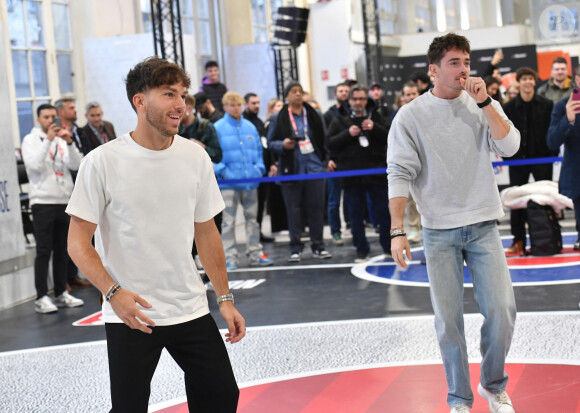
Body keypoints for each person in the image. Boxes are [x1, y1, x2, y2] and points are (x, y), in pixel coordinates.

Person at [66, 57, 244, 412]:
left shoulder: (195, 157)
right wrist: (112, 293)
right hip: (131, 314)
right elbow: (77, 243)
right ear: (140, 101)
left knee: (222, 396)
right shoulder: (102, 162)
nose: (180, 104)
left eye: (182, 94)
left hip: (188, 307)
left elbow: (206, 233)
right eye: (168, 94)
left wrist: (225, 299)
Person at [388, 33, 519, 413]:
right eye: (454, 63)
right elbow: (398, 173)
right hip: (438, 230)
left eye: (466, 61)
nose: (464, 70)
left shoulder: (482, 104)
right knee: (449, 322)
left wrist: (487, 103)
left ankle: (493, 386)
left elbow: (510, 147)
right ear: (434, 70)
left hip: (483, 225)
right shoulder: (410, 116)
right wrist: (398, 229)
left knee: (503, 311)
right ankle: (459, 398)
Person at [21, 104, 85, 313]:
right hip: (42, 202)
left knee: (62, 250)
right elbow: (34, 166)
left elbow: (76, 165)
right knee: (43, 251)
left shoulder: (60, 140)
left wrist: (69, 142)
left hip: (63, 201)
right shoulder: (30, 140)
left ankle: (60, 293)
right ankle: (41, 297)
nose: (51, 120)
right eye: (46, 117)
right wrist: (48, 140)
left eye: (53, 117)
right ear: (38, 119)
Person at [267, 81, 332, 262]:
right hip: (291, 169)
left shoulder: (314, 114)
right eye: (293, 92)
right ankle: (295, 247)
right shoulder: (277, 117)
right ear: (287, 96)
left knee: (316, 209)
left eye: (300, 92)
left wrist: (324, 161)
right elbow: (270, 143)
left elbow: (324, 140)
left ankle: (318, 246)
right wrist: (283, 145)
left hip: (314, 168)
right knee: (293, 210)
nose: (297, 95)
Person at [327, 84, 391, 262]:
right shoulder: (339, 120)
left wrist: (375, 127)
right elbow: (330, 142)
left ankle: (388, 247)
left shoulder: (376, 116)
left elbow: (391, 135)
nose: (358, 102)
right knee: (355, 215)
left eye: (362, 98)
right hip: (351, 175)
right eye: (355, 99)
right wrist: (347, 134)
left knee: (383, 213)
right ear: (349, 100)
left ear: (367, 99)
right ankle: (361, 250)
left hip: (377, 174)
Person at [214, 92, 273, 269]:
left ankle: (255, 252)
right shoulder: (217, 127)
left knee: (253, 220)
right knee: (228, 221)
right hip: (228, 183)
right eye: (232, 105)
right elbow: (212, 155)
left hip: (250, 182)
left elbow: (259, 150)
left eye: (238, 105)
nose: (236, 108)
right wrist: (222, 172)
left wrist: (259, 170)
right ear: (225, 107)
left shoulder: (250, 127)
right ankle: (229, 256)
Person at [502, 67, 555, 255]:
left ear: (534, 81)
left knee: (546, 199)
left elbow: (552, 130)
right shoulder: (508, 108)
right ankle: (518, 240)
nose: (527, 82)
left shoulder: (547, 104)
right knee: (517, 202)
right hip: (518, 160)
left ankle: (551, 237)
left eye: (530, 78)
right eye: (524, 79)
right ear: (518, 82)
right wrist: (508, 155)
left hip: (542, 159)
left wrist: (550, 152)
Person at [180, 94, 223, 271]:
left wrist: (202, 147)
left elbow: (218, 155)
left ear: (190, 108)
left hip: (204, 186)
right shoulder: (172, 130)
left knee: (209, 230)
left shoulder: (206, 127)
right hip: (181, 189)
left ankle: (212, 274)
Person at [547, 66, 580, 254]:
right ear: (577, 80)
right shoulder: (563, 106)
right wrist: (568, 119)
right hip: (577, 177)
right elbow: (551, 142)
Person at [243, 92, 275, 243]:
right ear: (246, 104)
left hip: (261, 170)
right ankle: (252, 237)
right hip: (247, 173)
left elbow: (265, 145)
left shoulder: (259, 122)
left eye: (258, 103)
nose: (256, 106)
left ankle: (258, 233)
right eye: (253, 103)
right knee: (250, 209)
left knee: (260, 206)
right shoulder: (245, 122)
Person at [324, 82, 351, 246]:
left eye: (346, 91)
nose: (344, 93)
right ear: (335, 94)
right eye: (341, 91)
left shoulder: (352, 113)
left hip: (349, 162)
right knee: (334, 200)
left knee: (350, 198)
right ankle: (335, 231)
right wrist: (329, 159)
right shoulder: (328, 115)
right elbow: (325, 139)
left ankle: (351, 226)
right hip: (334, 163)